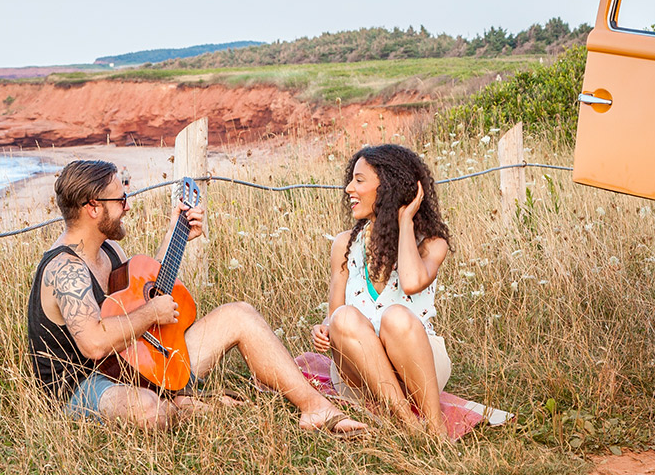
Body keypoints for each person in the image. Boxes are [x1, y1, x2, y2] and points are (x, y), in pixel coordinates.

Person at [26, 159, 367, 435]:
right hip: (80, 385)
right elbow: (94, 346)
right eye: (120, 200)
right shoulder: (64, 269)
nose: (127, 207)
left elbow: (144, 289)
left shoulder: (108, 249)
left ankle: (315, 408)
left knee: (240, 315)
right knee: (149, 411)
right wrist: (151, 315)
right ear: (92, 207)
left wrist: (178, 234)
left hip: (136, 361)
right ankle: (180, 404)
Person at [308, 144, 455, 437]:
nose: (349, 188)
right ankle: (409, 423)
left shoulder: (431, 243)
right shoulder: (344, 245)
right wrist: (323, 329)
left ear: (387, 186)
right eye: (351, 179)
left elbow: (412, 282)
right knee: (345, 318)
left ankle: (435, 428)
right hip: (360, 373)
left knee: (396, 317)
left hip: (417, 367)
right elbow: (334, 315)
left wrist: (404, 221)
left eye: (359, 180)